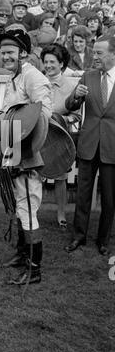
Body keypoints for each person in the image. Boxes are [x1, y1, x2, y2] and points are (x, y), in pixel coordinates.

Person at [0, 29, 52, 284]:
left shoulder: (33, 76)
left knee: (28, 209)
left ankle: (34, 269)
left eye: (10, 52)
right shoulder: (13, 77)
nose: (5, 57)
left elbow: (43, 117)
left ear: (24, 53)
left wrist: (26, 156)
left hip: (29, 156)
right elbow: (12, 113)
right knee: (20, 205)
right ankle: (21, 254)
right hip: (14, 152)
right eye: (3, 52)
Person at [65, 35, 115, 256]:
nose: (94, 57)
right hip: (88, 144)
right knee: (83, 193)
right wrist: (75, 96)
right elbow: (70, 104)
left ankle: (103, 240)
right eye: (93, 52)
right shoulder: (88, 76)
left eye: (99, 53)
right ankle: (79, 236)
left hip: (112, 147)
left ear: (113, 54)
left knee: (110, 197)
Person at [41, 44, 81, 227]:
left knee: (60, 177)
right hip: (39, 135)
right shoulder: (38, 81)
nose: (48, 65)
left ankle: (61, 213)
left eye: (52, 62)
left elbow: (76, 116)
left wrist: (60, 120)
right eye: (45, 61)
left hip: (60, 137)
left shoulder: (72, 85)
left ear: (62, 63)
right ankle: (33, 211)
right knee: (34, 174)